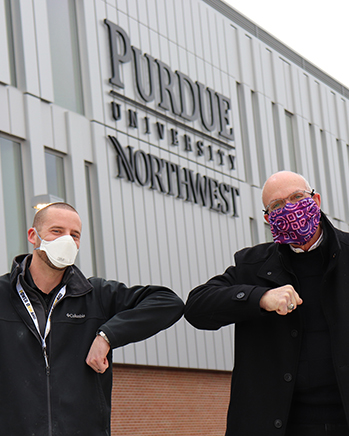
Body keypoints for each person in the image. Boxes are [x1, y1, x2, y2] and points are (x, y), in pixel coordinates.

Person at [185, 170, 349, 436]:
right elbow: (196, 306)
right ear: (268, 218)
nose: (290, 209)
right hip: (280, 424)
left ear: (316, 200)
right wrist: (258, 298)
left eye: (297, 197)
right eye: (277, 205)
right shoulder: (252, 266)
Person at [0, 202, 184, 436]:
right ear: (33, 236)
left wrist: (107, 336)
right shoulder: (3, 294)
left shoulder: (96, 294)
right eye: (57, 231)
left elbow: (168, 302)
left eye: (74, 235)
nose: (67, 240)